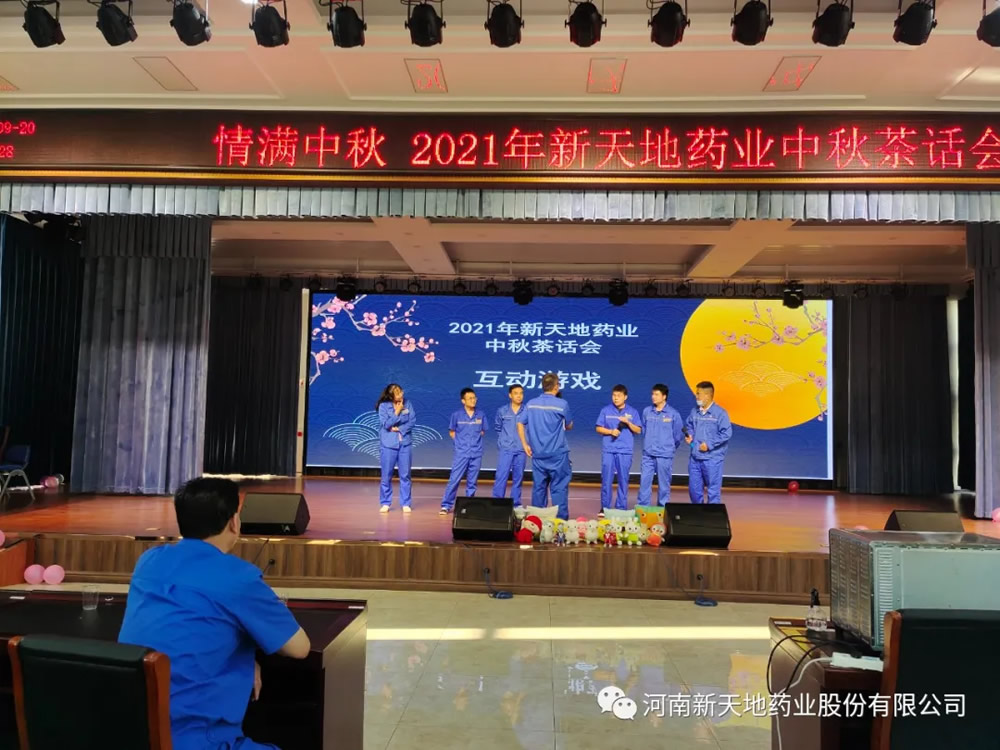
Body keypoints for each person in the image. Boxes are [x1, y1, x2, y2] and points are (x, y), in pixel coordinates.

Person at [119, 478, 311, 750]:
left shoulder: (149, 561)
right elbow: (299, 648)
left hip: (134, 731)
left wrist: (245, 659)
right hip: (197, 739)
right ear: (234, 522)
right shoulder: (237, 578)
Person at [517, 372, 574, 520]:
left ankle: (537, 522)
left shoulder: (531, 404)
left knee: (539, 489)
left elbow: (520, 423)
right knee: (559, 488)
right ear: (556, 387)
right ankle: (560, 523)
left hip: (538, 454)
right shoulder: (562, 404)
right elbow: (569, 425)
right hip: (558, 455)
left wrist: (525, 444)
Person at [595, 384, 642, 514]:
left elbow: (638, 430)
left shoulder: (632, 412)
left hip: (625, 451)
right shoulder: (606, 410)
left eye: (619, 396)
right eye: (614, 395)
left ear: (625, 397)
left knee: (623, 480)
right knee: (606, 480)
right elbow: (598, 428)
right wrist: (610, 431)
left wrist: (628, 423)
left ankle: (621, 507)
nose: (616, 398)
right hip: (609, 450)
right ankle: (605, 508)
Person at [440, 387, 487, 515]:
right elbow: (452, 431)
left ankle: (469, 505)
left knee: (472, 482)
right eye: (470, 398)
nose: (473, 400)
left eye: (474, 398)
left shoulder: (481, 414)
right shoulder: (456, 415)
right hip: (461, 453)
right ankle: (446, 505)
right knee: (454, 480)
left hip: (476, 453)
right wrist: (460, 444)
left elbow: (482, 431)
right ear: (463, 400)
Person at [684, 381, 732, 504]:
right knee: (694, 491)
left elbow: (726, 433)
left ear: (708, 395)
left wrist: (709, 445)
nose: (696, 396)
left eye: (698, 394)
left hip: (712, 459)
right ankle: (697, 514)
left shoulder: (720, 413)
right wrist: (690, 436)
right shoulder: (694, 411)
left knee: (713, 492)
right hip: (695, 458)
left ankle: (712, 515)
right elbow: (689, 425)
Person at [637, 383, 684, 506]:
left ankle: (662, 510)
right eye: (652, 394)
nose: (653, 397)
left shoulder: (673, 414)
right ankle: (643, 509)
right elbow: (644, 430)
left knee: (664, 485)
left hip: (664, 455)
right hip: (648, 454)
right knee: (644, 483)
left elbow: (678, 436)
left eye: (656, 394)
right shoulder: (647, 411)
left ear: (664, 396)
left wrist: (669, 448)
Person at [376, 383, 415, 513]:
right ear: (391, 396)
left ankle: (406, 503)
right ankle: (385, 502)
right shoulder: (383, 406)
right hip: (388, 444)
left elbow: (412, 421)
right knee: (386, 475)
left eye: (401, 391)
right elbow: (386, 424)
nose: (401, 394)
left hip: (405, 443)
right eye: (397, 393)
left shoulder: (408, 403)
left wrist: (399, 429)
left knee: (405, 475)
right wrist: (397, 412)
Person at [492, 383, 529, 507]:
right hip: (506, 449)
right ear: (510, 395)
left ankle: (516, 504)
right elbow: (498, 427)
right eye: (516, 393)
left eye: (521, 393)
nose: (519, 396)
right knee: (501, 476)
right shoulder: (502, 411)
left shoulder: (527, 411)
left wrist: (526, 443)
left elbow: (530, 429)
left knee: (518, 478)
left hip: (521, 449)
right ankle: (497, 503)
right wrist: (503, 440)